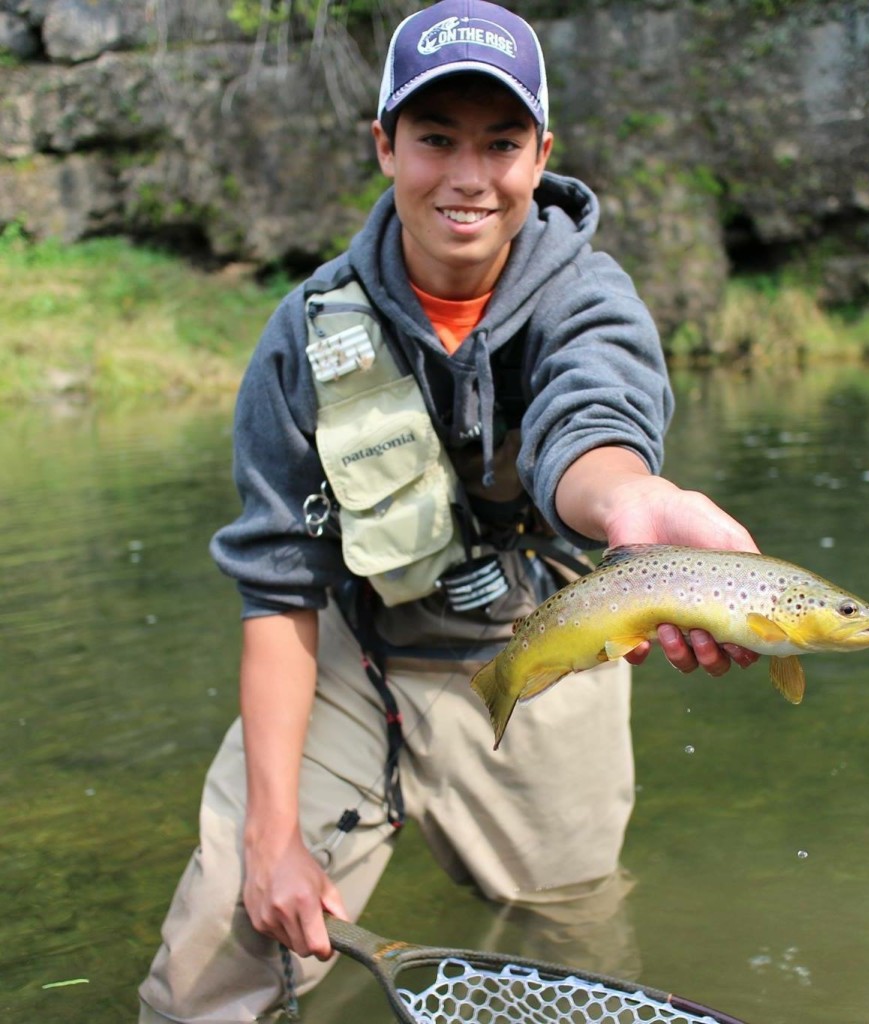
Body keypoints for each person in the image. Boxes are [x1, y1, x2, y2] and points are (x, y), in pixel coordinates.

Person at [138, 1, 759, 1020]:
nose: (468, 177)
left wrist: (635, 497)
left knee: (574, 950)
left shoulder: (588, 302)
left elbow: (590, 424)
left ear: (540, 153)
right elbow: (277, 595)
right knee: (222, 949)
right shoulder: (304, 335)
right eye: (434, 140)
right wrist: (271, 836)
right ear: (384, 144)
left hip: (544, 647)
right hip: (352, 651)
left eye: (500, 144)